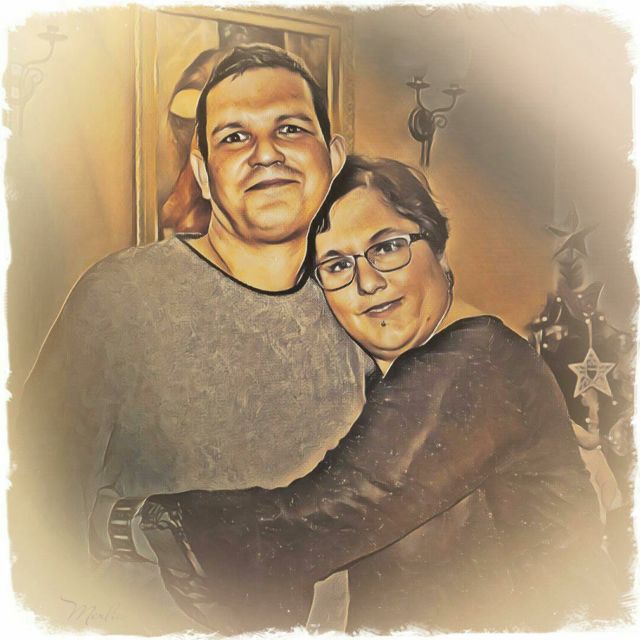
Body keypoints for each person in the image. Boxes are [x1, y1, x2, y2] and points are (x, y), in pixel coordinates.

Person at [118, 156, 620, 634]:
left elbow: (326, 513)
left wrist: (130, 524)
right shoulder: (394, 378)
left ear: (438, 250)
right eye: (336, 265)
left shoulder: (472, 359)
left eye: (387, 247)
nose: (368, 282)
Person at [10, 44, 368, 633]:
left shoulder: (364, 300)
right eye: (234, 136)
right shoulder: (120, 298)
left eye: (289, 128)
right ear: (201, 173)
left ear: (332, 157)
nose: (265, 153)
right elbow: (28, 520)